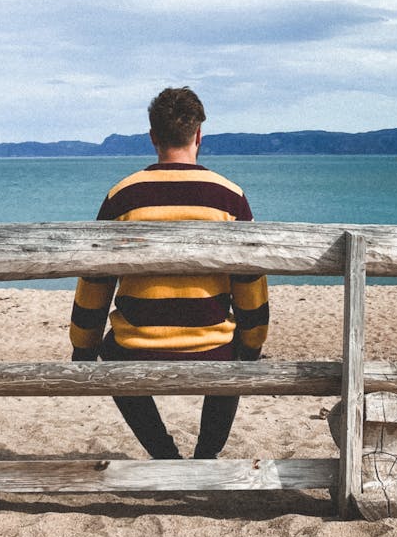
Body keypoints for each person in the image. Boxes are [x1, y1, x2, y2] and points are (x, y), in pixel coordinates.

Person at [69, 86, 269, 459]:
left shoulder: (123, 196)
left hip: (136, 347)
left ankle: (163, 453)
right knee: (238, 354)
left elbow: (95, 279)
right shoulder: (229, 197)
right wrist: (252, 343)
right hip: (212, 347)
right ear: (198, 136)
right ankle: (206, 456)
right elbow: (250, 282)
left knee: (110, 349)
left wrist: (83, 346)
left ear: (152, 137)